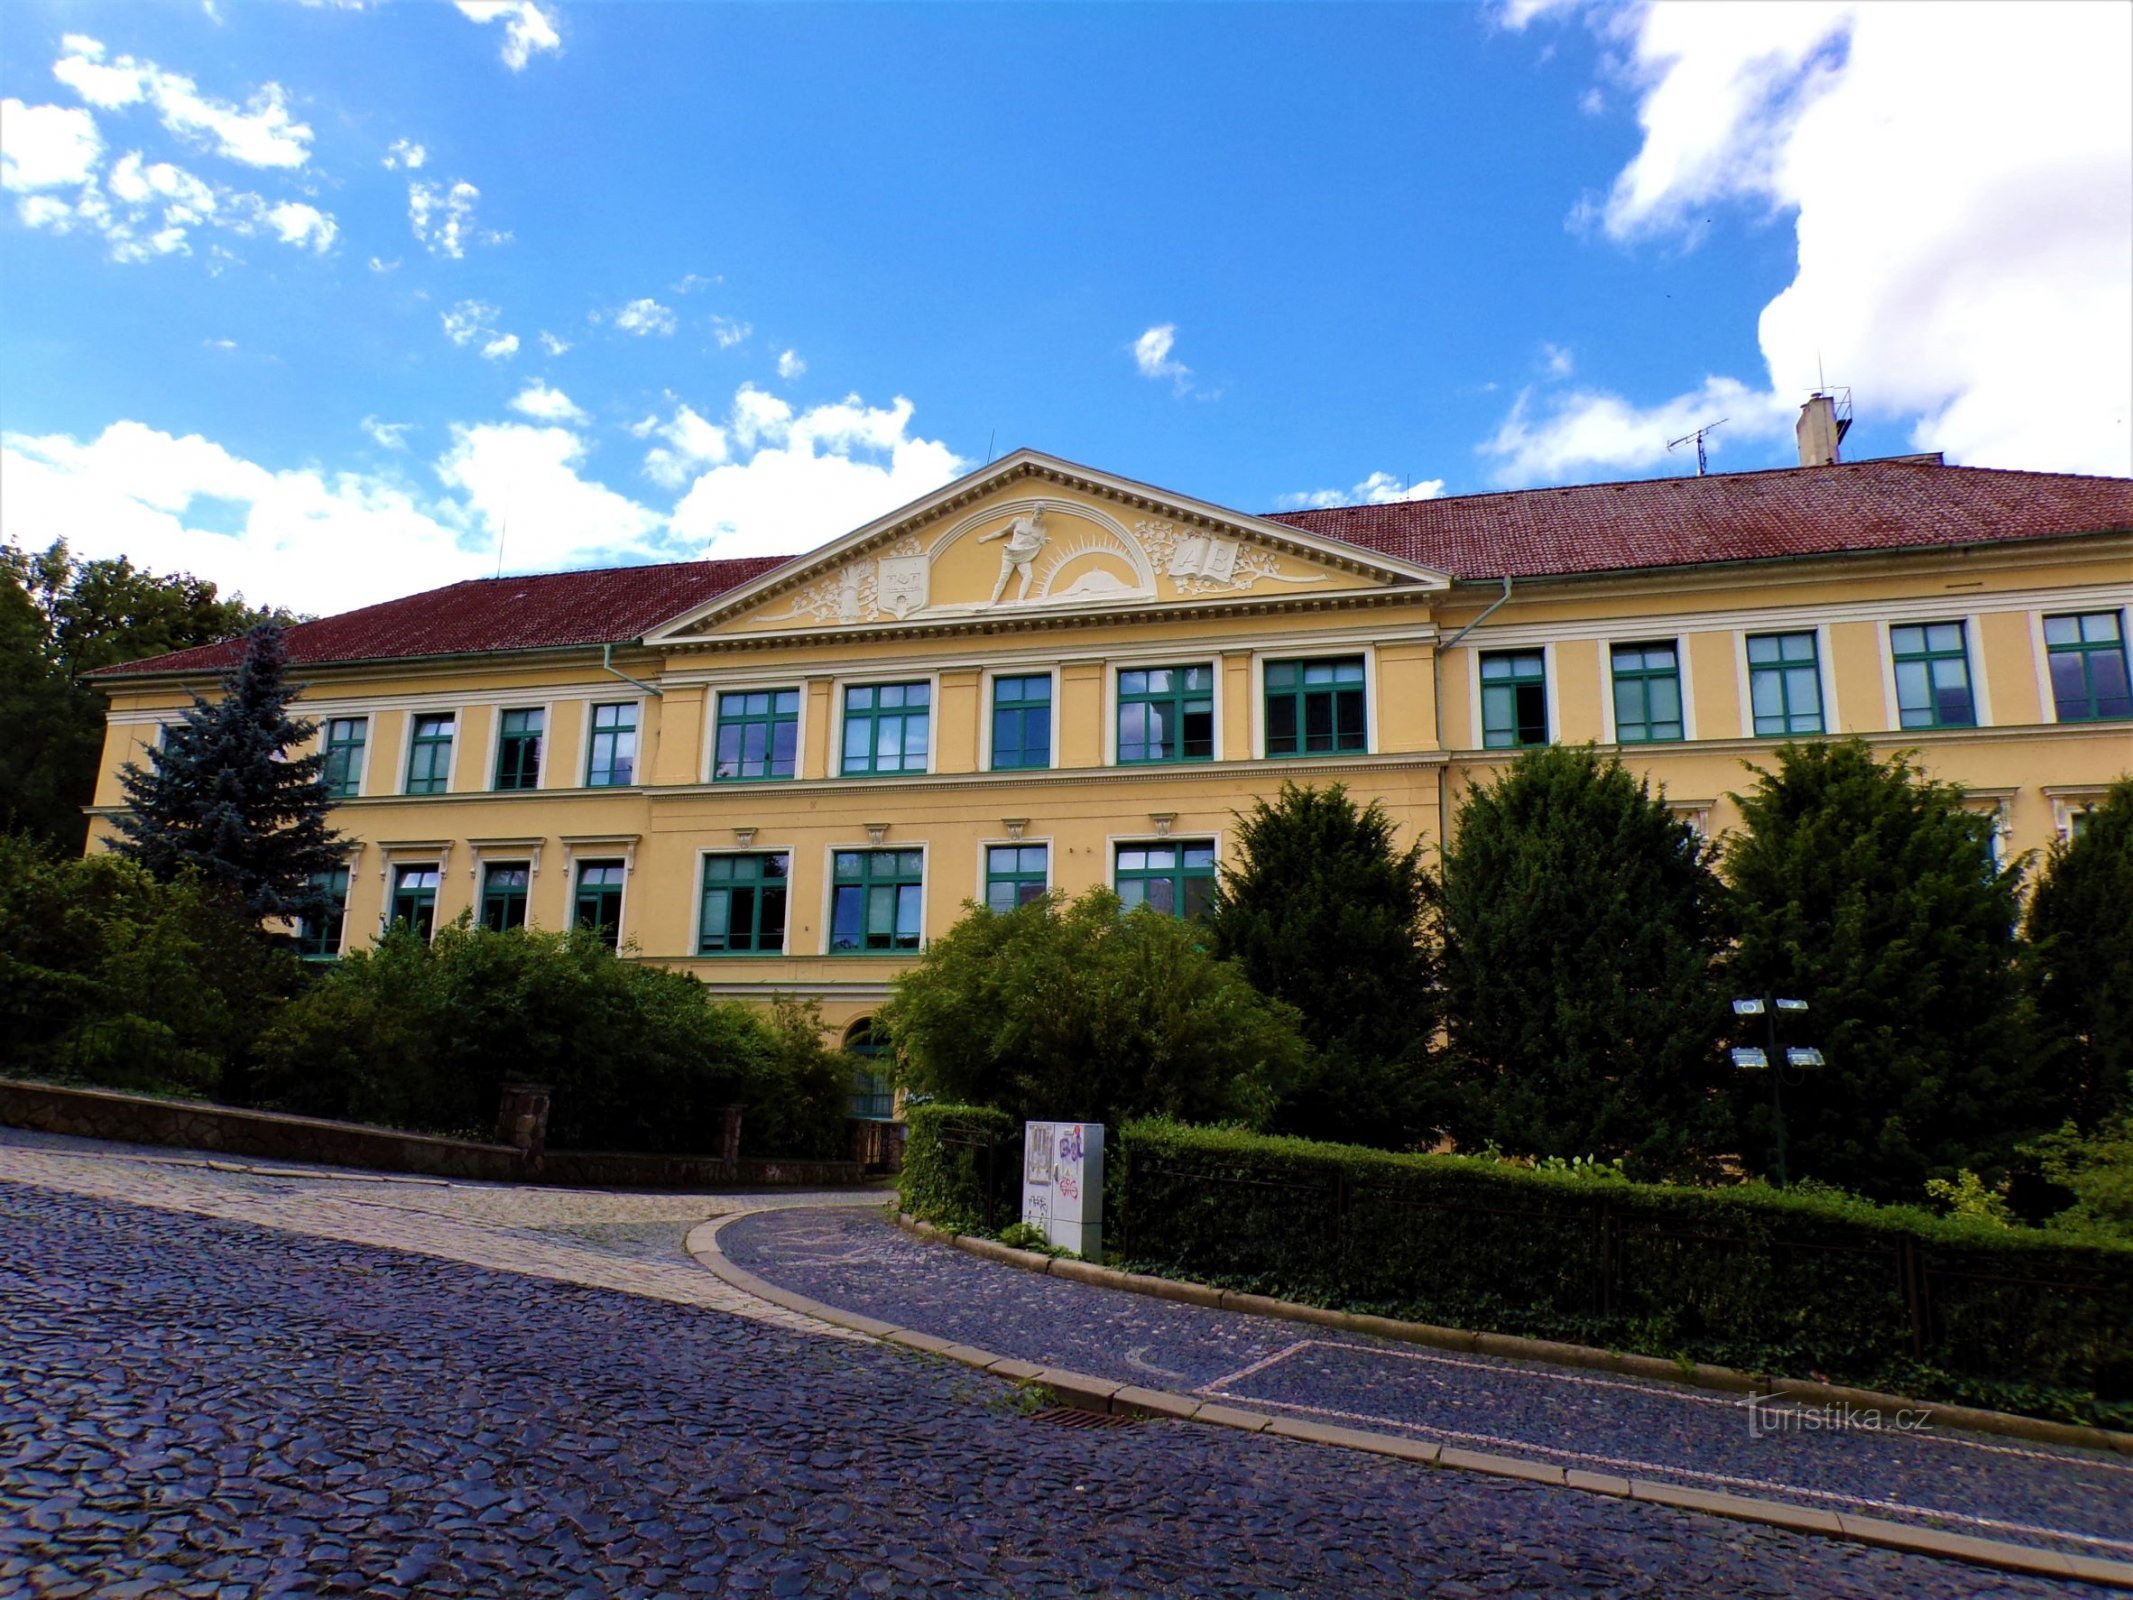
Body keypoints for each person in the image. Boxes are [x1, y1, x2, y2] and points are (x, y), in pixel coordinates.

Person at [979, 506, 1049, 603]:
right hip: (1012, 552)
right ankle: (993, 601)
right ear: (1033, 511)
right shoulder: (1019, 521)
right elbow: (1002, 531)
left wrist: (1044, 541)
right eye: (1038, 512)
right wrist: (986, 538)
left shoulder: (1041, 528)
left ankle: (1020, 599)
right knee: (1003, 577)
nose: (1039, 515)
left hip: (1024, 555)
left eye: (1042, 514)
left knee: (1029, 576)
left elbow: (1041, 541)